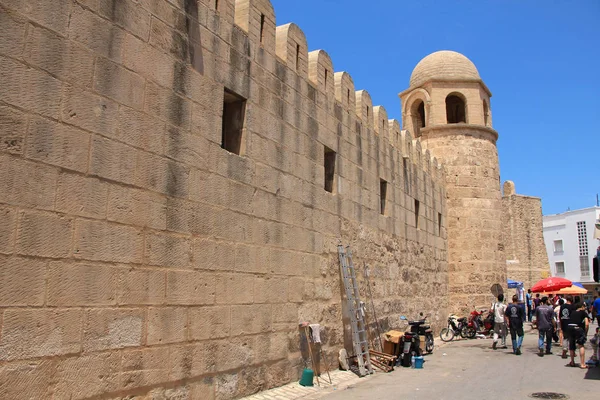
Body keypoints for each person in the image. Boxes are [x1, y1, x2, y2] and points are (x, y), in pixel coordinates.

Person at [567, 302, 590, 369]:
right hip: (578, 328)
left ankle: (572, 362)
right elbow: (587, 324)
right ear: (582, 307)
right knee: (581, 345)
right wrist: (585, 332)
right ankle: (582, 364)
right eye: (584, 306)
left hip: (570, 328)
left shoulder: (572, 312)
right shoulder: (583, 312)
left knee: (571, 345)